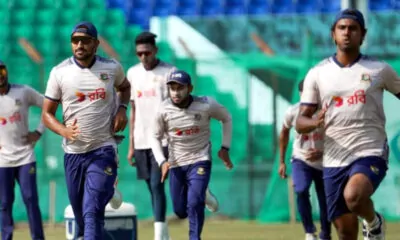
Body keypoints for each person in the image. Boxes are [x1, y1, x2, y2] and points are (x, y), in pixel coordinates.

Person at [296, 9, 400, 240]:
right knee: (346, 232)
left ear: (363, 35)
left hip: (370, 150)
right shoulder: (318, 73)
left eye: (353, 28)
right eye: (341, 28)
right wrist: (313, 122)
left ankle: (374, 223)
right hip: (333, 158)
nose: (347, 33)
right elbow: (300, 121)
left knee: (354, 196)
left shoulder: (379, 70)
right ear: (333, 34)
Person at [41, 21, 131, 240]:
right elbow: (47, 114)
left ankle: (106, 187)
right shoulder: (59, 72)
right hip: (73, 154)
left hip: (103, 149)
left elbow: (125, 87)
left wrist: (122, 109)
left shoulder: (111, 68)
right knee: (83, 217)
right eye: (75, 40)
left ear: (96, 44)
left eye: (85, 40)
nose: (79, 44)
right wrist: (64, 131)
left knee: (92, 210)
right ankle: (108, 190)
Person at [126, 32, 218, 240]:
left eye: (147, 52)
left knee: (158, 184)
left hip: (166, 140)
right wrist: (131, 144)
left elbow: (180, 106)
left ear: (155, 50)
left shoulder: (169, 72)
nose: (143, 57)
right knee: (152, 186)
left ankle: (160, 234)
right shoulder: (132, 74)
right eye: (139, 54)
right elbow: (133, 110)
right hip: (142, 140)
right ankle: (198, 193)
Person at [151, 70, 233, 240]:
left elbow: (226, 118)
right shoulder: (163, 109)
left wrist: (225, 148)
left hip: (200, 160)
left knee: (194, 203)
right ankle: (204, 194)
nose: (175, 92)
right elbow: (154, 137)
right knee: (180, 211)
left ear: (190, 88)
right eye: (172, 88)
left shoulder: (205, 104)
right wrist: (162, 162)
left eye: (180, 88)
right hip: (176, 164)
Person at [279, 80, 331, 240]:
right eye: (306, 93)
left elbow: (340, 136)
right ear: (301, 94)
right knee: (301, 190)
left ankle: (325, 234)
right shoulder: (293, 111)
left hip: (326, 161)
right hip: (301, 159)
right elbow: (284, 133)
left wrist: (322, 152)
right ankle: (309, 232)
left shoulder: (327, 110)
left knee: (325, 199)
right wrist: (281, 161)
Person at [0, 60, 45, 240]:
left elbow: (47, 105)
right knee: (4, 203)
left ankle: (38, 238)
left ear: (6, 72)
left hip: (25, 156)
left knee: (30, 199)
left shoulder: (23, 91)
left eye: (2, 71)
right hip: (2, 160)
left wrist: (39, 132)